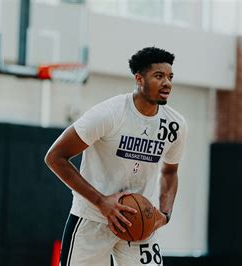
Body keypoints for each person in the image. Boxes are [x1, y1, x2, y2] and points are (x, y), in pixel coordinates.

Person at [45, 47, 187, 266]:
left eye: (170, 77)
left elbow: (170, 172)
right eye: (159, 76)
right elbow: (55, 157)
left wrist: (165, 214)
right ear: (139, 79)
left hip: (140, 223)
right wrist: (101, 202)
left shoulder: (175, 125)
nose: (167, 83)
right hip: (93, 219)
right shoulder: (109, 113)